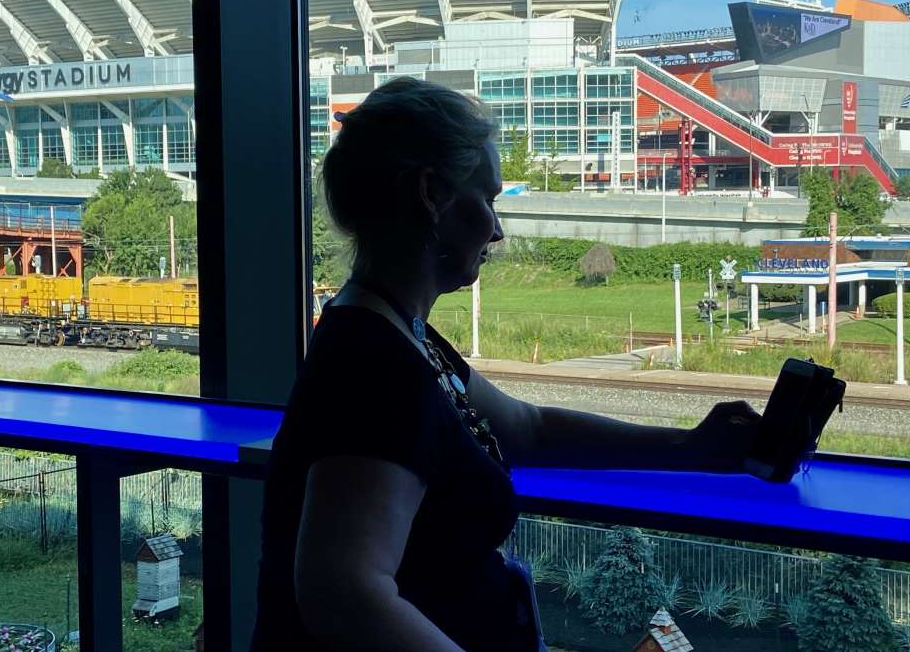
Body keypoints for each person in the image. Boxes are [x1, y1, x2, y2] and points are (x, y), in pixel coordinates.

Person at [249, 77, 760, 652]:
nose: (495, 228)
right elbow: (343, 593)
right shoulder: (379, 368)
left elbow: (526, 428)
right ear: (430, 194)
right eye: (486, 199)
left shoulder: (397, 335)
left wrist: (692, 448)